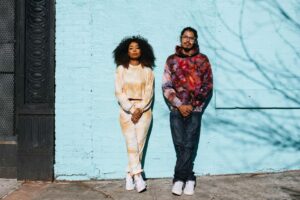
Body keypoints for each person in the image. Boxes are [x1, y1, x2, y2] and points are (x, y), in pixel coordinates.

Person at [162, 27, 213, 196]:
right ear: (181, 38)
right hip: (176, 108)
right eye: (185, 37)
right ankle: (190, 177)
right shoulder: (171, 60)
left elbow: (207, 85)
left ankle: (178, 179)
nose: (188, 40)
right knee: (180, 144)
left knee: (190, 144)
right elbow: (166, 85)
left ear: (195, 40)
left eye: (191, 38)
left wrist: (193, 104)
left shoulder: (203, 60)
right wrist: (179, 104)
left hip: (195, 109)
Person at [113, 36, 155, 193]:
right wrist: (131, 109)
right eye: (131, 48)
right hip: (126, 110)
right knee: (131, 143)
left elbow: (149, 93)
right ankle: (138, 176)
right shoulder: (121, 69)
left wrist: (140, 109)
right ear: (126, 51)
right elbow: (119, 92)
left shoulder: (148, 70)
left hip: (144, 111)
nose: (134, 50)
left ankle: (129, 174)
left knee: (139, 144)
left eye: (137, 47)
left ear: (142, 50)